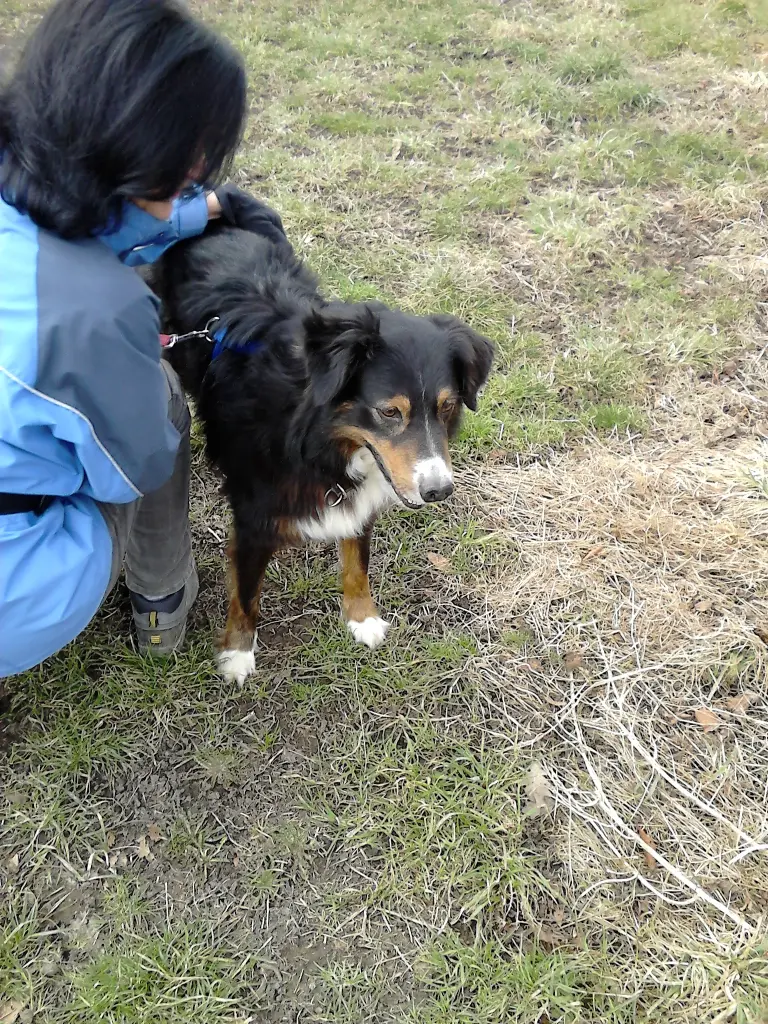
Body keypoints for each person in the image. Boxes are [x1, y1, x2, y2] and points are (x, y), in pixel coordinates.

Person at [0, 0, 285, 677]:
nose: (200, 170)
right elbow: (133, 468)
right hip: (16, 594)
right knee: (160, 406)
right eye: (190, 164)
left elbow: (61, 221)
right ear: (132, 146)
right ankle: (161, 599)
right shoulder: (98, 310)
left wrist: (190, 213)